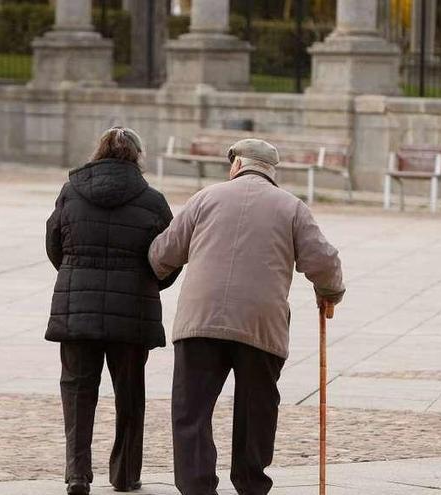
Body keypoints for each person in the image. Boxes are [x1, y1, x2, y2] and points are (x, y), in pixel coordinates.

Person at [148, 138, 345, 495]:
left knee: (191, 409)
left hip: (200, 321)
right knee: (257, 409)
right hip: (260, 324)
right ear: (271, 171)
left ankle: (197, 486)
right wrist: (330, 291)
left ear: (236, 165)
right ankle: (251, 484)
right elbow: (324, 261)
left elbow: (163, 254)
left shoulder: (206, 197)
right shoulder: (292, 207)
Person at [45, 126, 179, 495]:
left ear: (98, 151)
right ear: (137, 157)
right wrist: (151, 285)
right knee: (130, 393)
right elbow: (168, 258)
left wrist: (77, 274)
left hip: (78, 308)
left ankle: (77, 474)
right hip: (132, 309)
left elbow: (54, 245)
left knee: (77, 392)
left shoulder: (70, 192)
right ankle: (124, 474)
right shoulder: (152, 201)